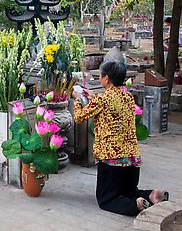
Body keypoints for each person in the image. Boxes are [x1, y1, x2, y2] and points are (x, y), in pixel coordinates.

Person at [71, 60, 169, 216]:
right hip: (132, 160)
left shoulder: (102, 100)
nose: (100, 78)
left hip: (112, 161)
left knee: (107, 199)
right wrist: (93, 97)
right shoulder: (128, 97)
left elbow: (79, 117)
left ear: (107, 78)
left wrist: (77, 99)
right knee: (129, 191)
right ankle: (151, 194)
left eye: (101, 76)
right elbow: (111, 109)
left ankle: (135, 205)